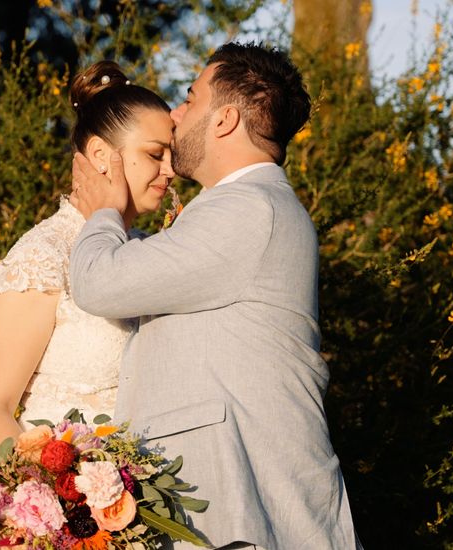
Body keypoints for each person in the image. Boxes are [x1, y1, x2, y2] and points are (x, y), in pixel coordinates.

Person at [69, 42, 362, 549]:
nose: (175, 116)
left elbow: (99, 282)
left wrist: (104, 210)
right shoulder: (238, 208)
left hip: (240, 507)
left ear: (225, 119)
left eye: (189, 98)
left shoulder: (249, 211)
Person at [0, 60, 175, 465]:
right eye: (155, 154)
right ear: (100, 154)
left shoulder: (151, 251)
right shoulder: (42, 257)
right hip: (65, 505)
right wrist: (55, 501)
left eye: (172, 156)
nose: (170, 170)